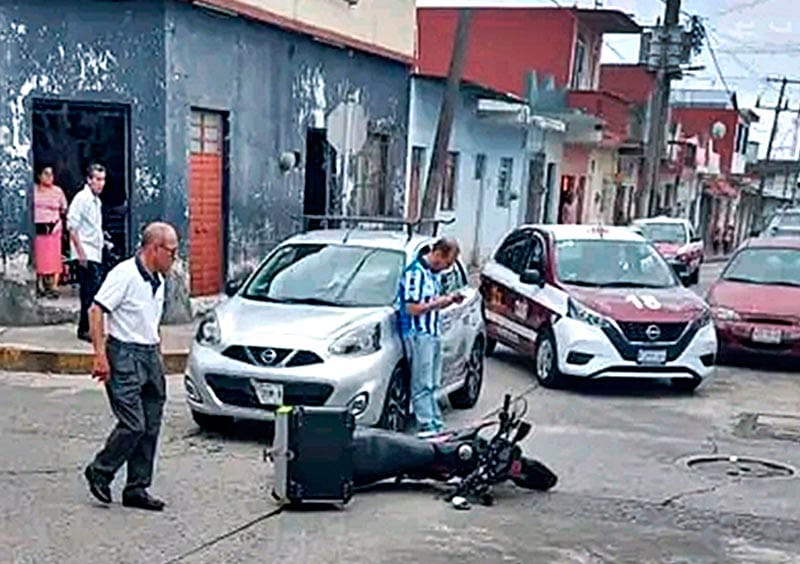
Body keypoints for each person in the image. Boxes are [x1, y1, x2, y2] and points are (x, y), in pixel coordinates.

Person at [83, 222, 179, 511]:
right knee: (133, 424)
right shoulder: (124, 274)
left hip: (150, 354)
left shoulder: (159, 279)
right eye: (172, 252)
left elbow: (150, 321)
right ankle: (100, 470)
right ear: (155, 248)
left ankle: (137, 487)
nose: (175, 258)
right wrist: (100, 355)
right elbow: (96, 310)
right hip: (124, 353)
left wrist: (157, 352)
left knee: (150, 425)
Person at [397, 237, 464, 435]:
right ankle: (426, 425)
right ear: (438, 254)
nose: (447, 268)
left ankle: (435, 422)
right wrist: (439, 303)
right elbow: (411, 308)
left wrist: (448, 300)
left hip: (432, 332)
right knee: (422, 383)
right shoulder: (415, 274)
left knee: (433, 382)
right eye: (447, 263)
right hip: (418, 333)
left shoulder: (432, 275)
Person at [67, 163, 107, 342]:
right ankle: (86, 329)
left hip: (95, 252)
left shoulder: (96, 201)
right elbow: (72, 226)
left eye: (103, 179)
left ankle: (89, 327)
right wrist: (81, 253)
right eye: (97, 179)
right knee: (89, 293)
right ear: (89, 180)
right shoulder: (82, 198)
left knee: (94, 292)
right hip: (86, 252)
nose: (101, 183)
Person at [32, 165, 68, 298]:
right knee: (39, 257)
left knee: (54, 258)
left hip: (54, 229)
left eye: (51, 174)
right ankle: (40, 285)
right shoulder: (33, 190)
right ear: (39, 176)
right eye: (46, 174)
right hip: (38, 229)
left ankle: (53, 286)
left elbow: (64, 209)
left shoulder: (57, 191)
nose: (49, 177)